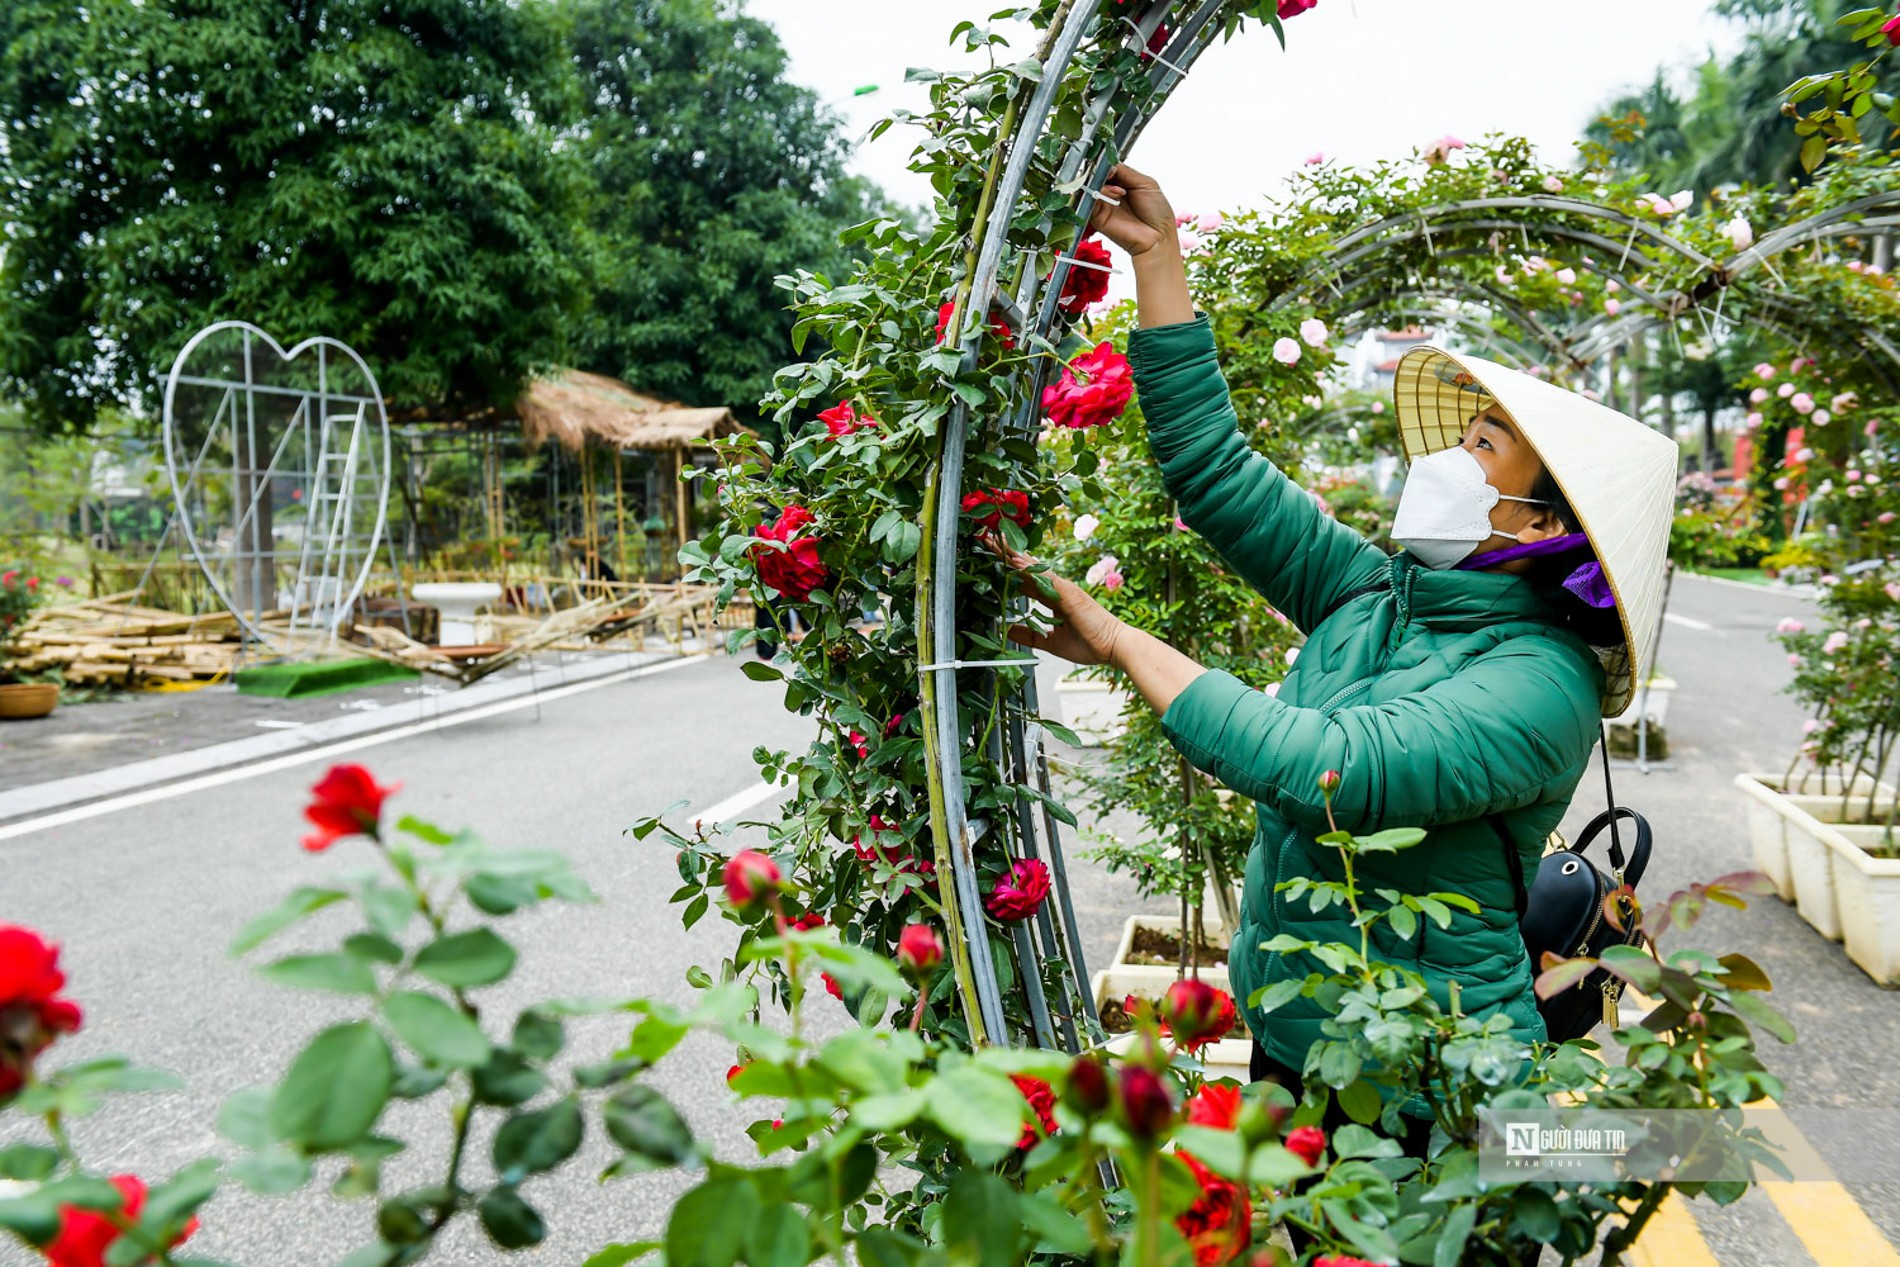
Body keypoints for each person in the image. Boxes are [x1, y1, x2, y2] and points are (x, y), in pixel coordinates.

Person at [987, 164, 1678, 1215]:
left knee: (1585, 1178)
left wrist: (1127, 641)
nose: (1445, 454)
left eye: (1480, 444)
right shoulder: (1374, 594)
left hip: (1434, 1084)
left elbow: (1327, 770)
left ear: (1538, 527)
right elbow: (1212, 471)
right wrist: (1157, 259)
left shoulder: (1540, 685)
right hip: (1297, 1037)